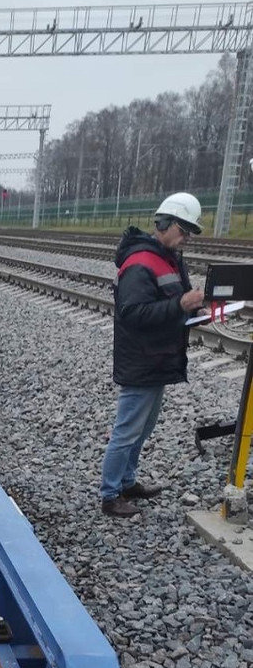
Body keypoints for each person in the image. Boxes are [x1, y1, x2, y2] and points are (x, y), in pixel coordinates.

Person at [100, 192, 205, 517]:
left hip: (157, 358)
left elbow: (170, 303)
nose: (187, 238)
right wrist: (180, 305)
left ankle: (127, 482)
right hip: (142, 360)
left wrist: (196, 308)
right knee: (127, 430)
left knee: (142, 429)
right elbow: (132, 313)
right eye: (184, 230)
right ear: (167, 224)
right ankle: (110, 494)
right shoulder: (140, 263)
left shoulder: (169, 257)